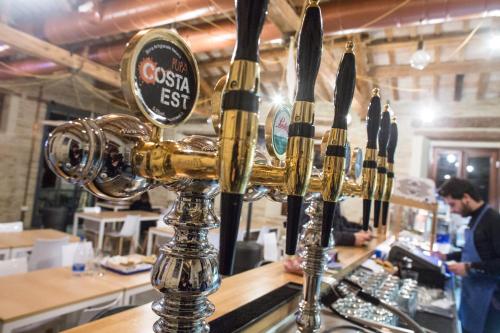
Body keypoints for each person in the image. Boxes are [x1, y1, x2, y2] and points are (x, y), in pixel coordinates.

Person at [436, 177, 500, 333]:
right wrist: (447, 257)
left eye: (452, 204)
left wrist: (469, 268)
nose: (452, 210)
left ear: (465, 198)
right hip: (472, 296)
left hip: (489, 302)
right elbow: (472, 252)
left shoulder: (493, 220)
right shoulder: (475, 218)